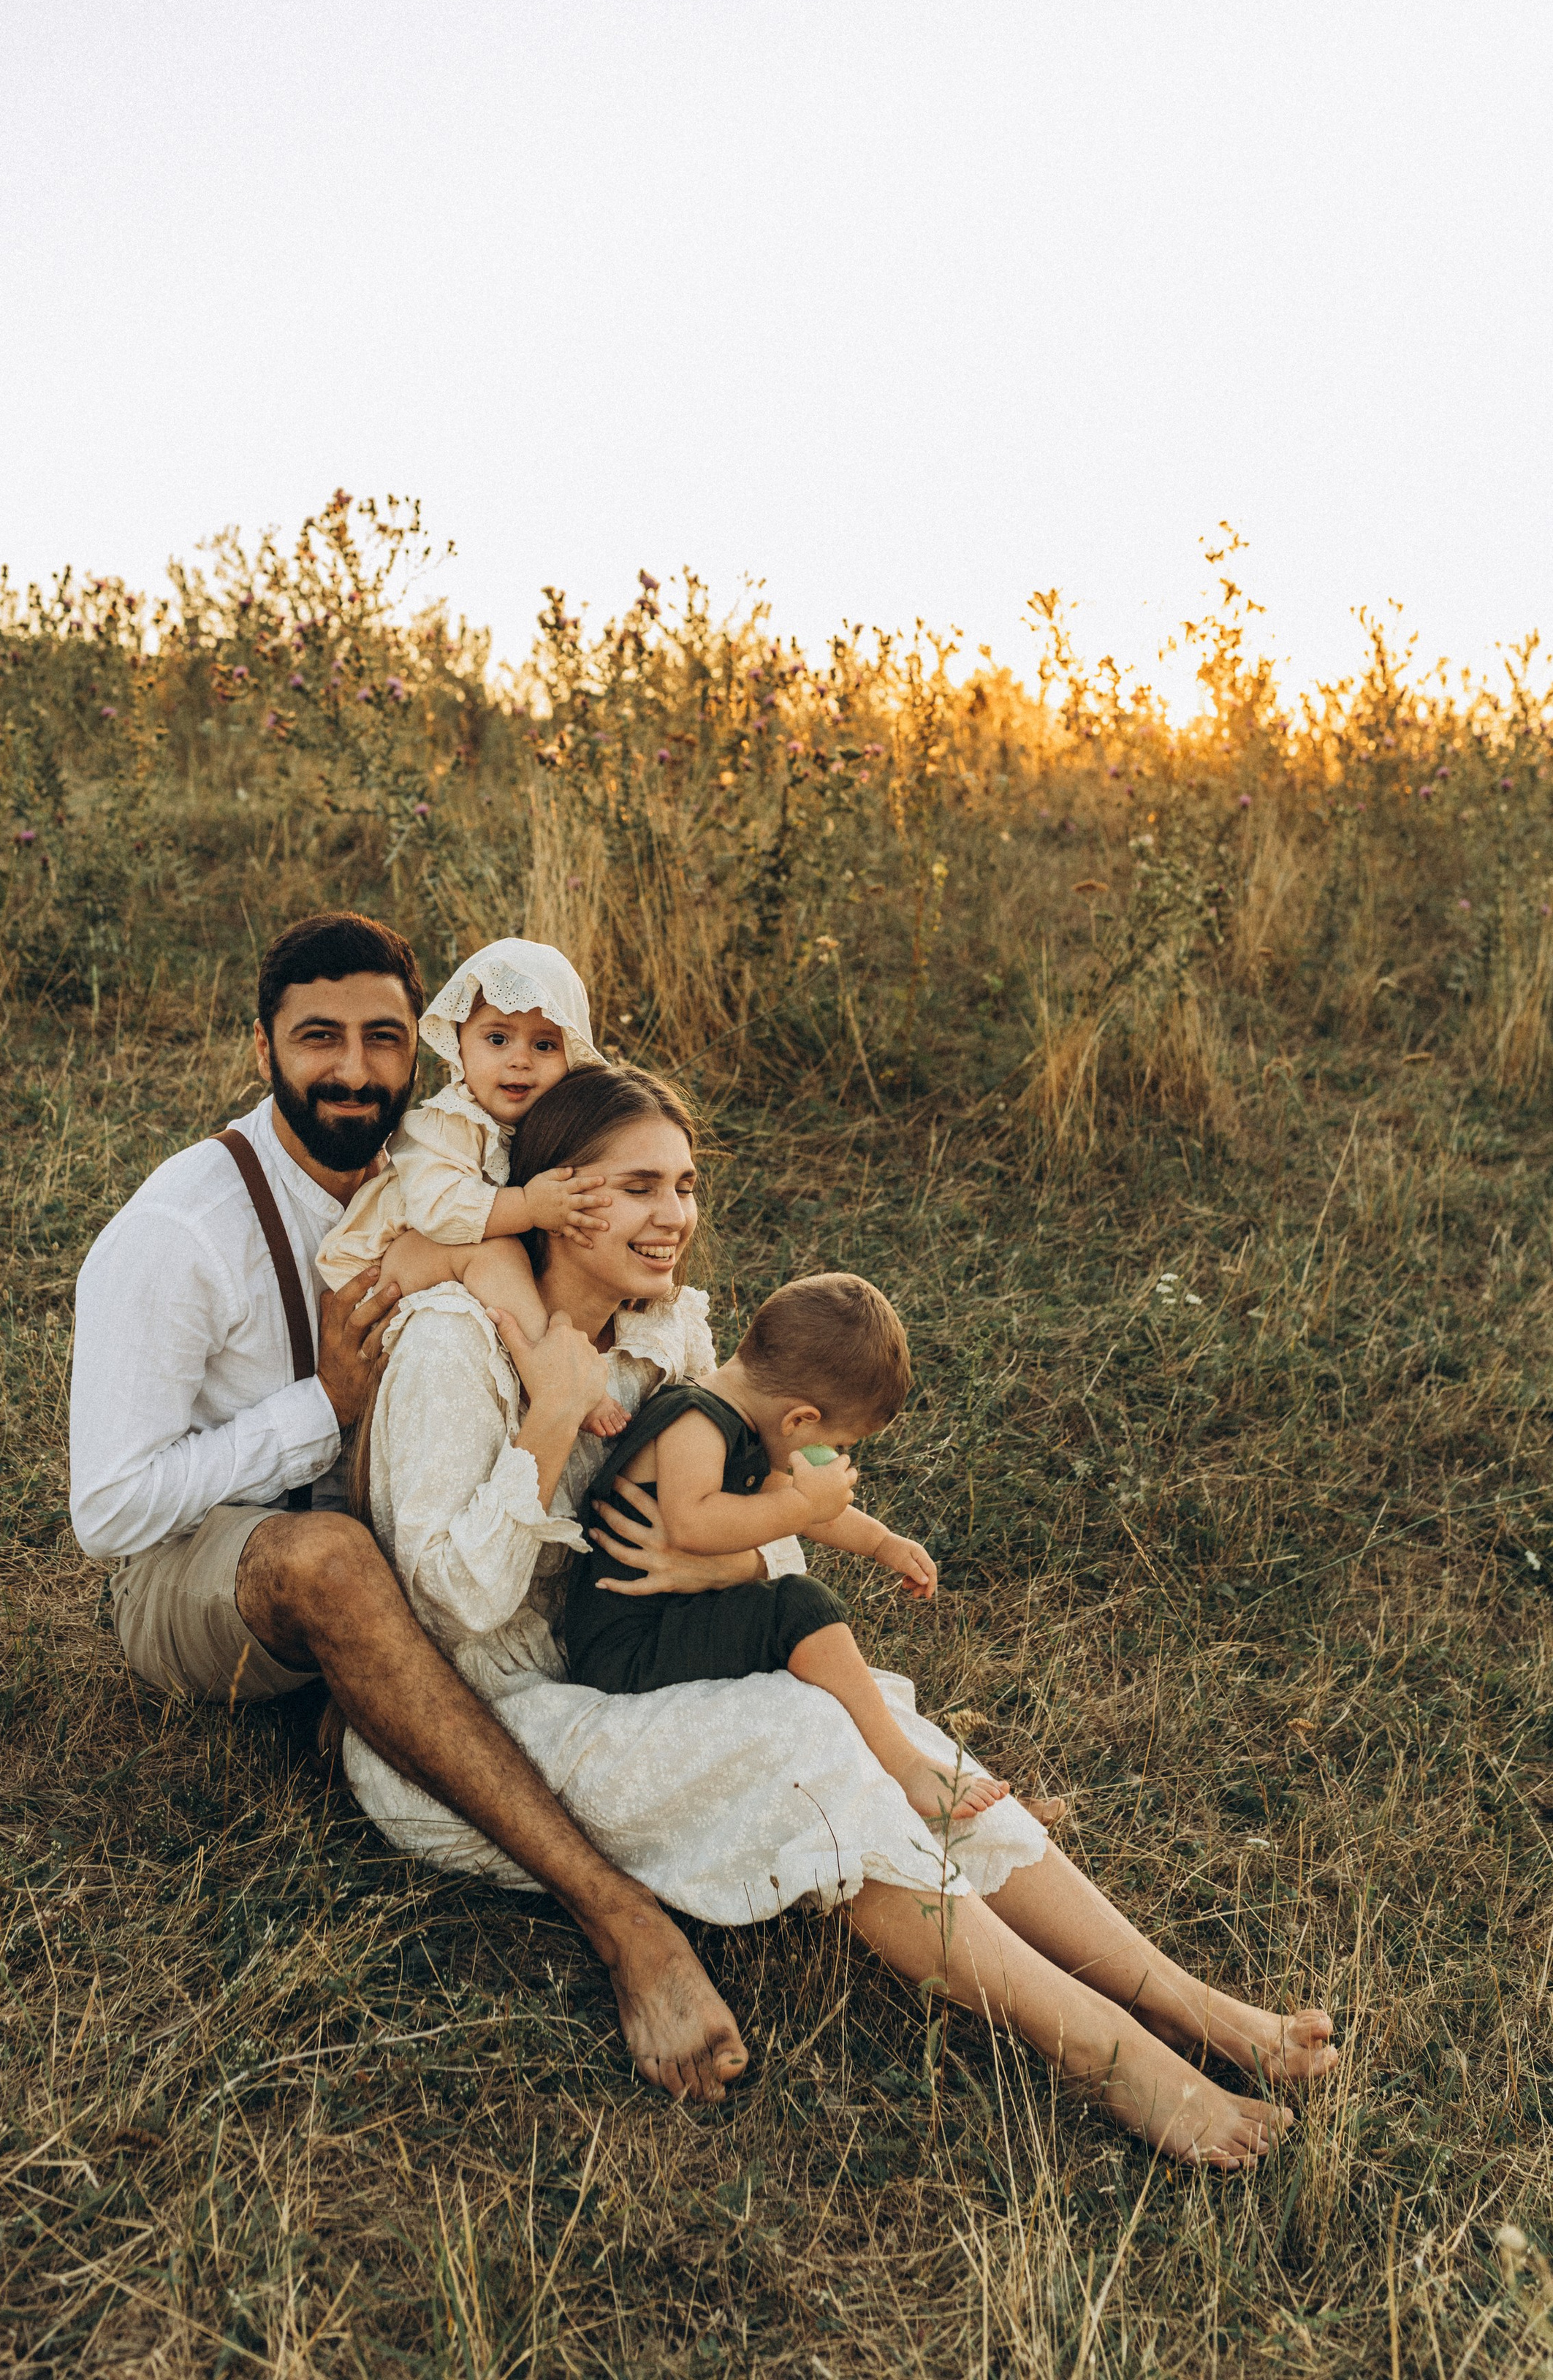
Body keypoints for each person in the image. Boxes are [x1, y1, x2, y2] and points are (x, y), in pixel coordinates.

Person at [343, 1062, 1340, 2166]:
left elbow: (755, 1540)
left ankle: (1194, 2006)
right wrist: (554, 1420)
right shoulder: (452, 1346)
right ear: (557, 1195)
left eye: (684, 1184)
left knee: (892, 1734)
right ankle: (1118, 2060)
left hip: (644, 1661)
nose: (673, 1216)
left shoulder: (661, 1332)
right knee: (820, 1740)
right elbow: (444, 1603)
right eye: (636, 1188)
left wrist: (700, 1573)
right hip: (491, 1718)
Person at [68, 909, 764, 2102]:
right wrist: (321, 1407)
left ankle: (888, 1783)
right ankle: (623, 1925)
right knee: (333, 1564)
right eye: (318, 1038)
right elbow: (110, 1513)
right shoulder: (182, 1232)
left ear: (422, 1047)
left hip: (422, 1543)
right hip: (215, 1569)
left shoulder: (464, 1162)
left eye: (381, 1038)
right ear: (263, 1048)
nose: (353, 1070)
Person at [559, 1272, 1022, 1830]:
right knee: (801, 1606)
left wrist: (881, 1543)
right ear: (801, 1419)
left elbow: (786, 1499)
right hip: (625, 1651)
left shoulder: (746, 1427)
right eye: (838, 1445)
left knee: (802, 1629)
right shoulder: (695, 1421)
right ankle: (904, 1766)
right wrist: (802, 1506)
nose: (833, 1456)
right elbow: (691, 1523)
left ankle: (912, 1763)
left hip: (670, 1620)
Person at [316, 936, 626, 1432]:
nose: (519, 1060)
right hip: (381, 1269)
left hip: (436, 1257)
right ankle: (551, 1374)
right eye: (497, 1040)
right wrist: (527, 1205)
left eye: (544, 1045)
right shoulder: (449, 1122)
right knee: (495, 1253)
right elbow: (439, 1210)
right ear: (460, 1042)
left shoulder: (543, 1127)